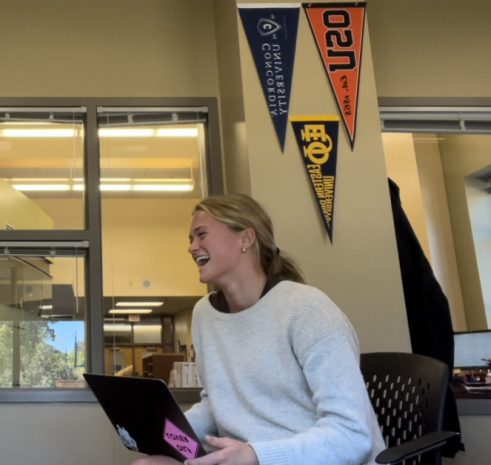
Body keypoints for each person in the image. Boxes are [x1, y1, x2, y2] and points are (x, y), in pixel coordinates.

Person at [132, 194, 384, 465]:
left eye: (201, 235)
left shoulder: (307, 309)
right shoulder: (205, 314)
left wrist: (256, 455)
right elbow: (216, 404)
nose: (192, 247)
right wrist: (168, 433)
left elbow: (352, 435)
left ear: (246, 239)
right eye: (190, 240)